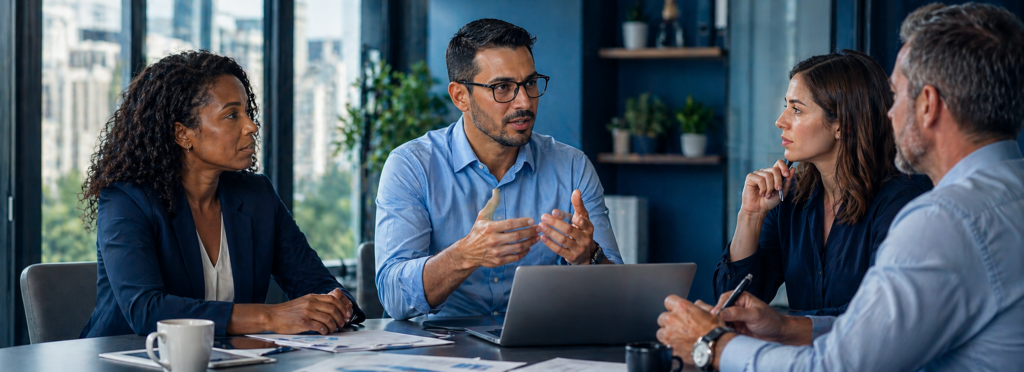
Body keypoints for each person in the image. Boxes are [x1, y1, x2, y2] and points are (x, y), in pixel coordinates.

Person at [656, 3, 1024, 371]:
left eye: (898, 97)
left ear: (927, 105)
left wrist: (713, 347)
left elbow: (842, 363)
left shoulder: (941, 219)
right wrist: (785, 324)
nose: (890, 114)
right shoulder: (1004, 197)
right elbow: (876, 332)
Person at [80, 51, 364, 338]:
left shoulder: (257, 197)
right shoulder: (127, 201)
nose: (251, 126)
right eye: (231, 115)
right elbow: (147, 311)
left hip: (232, 363)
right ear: (183, 134)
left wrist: (335, 305)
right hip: (126, 360)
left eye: (247, 112)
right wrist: (270, 316)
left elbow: (315, 283)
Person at [375, 19, 622, 320]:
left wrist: (590, 257)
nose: (524, 102)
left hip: (541, 352)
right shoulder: (411, 166)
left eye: (530, 83)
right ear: (460, 96)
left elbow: (617, 293)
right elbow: (393, 299)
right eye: (502, 87)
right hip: (441, 355)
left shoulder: (571, 167)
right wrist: (465, 254)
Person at [714, 50, 930, 316]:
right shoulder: (789, 199)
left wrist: (785, 327)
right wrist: (750, 216)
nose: (780, 121)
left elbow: (879, 317)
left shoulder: (900, 203)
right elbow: (731, 304)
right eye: (786, 107)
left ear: (842, 124)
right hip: (799, 357)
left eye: (796, 109)